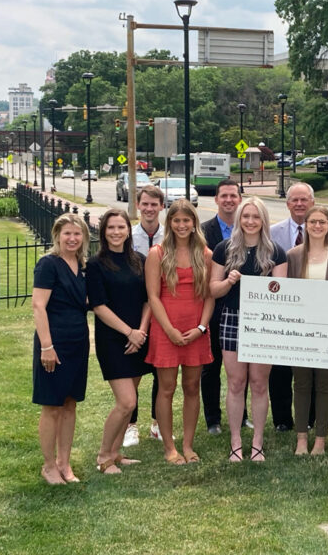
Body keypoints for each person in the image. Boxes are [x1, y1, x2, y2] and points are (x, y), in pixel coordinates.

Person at [210, 197, 288, 462]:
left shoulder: (276, 251)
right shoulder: (224, 249)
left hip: (263, 321)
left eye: (256, 217)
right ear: (239, 219)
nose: (251, 221)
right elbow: (213, 289)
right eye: (246, 216)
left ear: (263, 220)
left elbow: (282, 292)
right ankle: (235, 442)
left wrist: (262, 284)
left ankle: (257, 443)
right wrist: (229, 282)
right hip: (232, 317)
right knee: (235, 383)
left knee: (258, 382)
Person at [145, 199, 214, 465]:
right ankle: (169, 448)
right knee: (166, 387)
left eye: (187, 220)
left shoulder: (205, 254)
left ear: (194, 222)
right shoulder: (157, 253)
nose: (182, 225)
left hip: (196, 329)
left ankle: (187, 445)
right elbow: (153, 296)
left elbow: (209, 296)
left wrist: (201, 327)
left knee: (191, 387)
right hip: (166, 329)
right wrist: (170, 330)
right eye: (177, 220)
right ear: (169, 223)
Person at [87, 209, 152, 474]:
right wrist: (129, 333)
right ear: (103, 232)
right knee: (126, 402)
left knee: (131, 400)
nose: (116, 232)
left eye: (121, 227)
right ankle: (103, 456)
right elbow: (99, 307)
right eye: (110, 228)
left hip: (139, 338)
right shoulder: (95, 264)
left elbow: (149, 299)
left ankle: (116, 453)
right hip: (114, 340)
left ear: (128, 229)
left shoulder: (140, 260)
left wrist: (141, 332)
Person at [31, 213, 91, 485]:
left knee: (69, 403)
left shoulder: (81, 264)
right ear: (57, 235)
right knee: (52, 405)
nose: (72, 238)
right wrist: (47, 346)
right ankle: (48, 466)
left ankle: (64, 463)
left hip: (78, 341)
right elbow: (38, 306)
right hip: (53, 343)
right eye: (67, 233)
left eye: (77, 234)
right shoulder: (48, 264)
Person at [287, 206, 328, 455]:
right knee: (301, 384)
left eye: (322, 222)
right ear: (306, 223)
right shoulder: (293, 255)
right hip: (300, 331)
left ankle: (320, 439)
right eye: (313, 221)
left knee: (324, 384)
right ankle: (302, 438)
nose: (317, 226)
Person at [200, 178, 249, 435]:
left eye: (233, 195)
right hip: (211, 306)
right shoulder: (203, 231)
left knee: (242, 364)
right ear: (216, 199)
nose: (229, 200)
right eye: (224, 196)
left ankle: (242, 417)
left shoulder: (249, 229)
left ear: (239, 199)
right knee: (211, 366)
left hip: (243, 310)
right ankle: (212, 419)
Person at [268, 182, 316, 432]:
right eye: (294, 200)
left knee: (310, 367)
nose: (299, 204)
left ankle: (309, 418)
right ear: (287, 204)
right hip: (281, 309)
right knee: (280, 368)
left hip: (313, 310)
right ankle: (282, 419)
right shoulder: (272, 232)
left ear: (313, 203)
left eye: (304, 200)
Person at [129, 184, 165, 446]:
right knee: (133, 371)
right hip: (134, 309)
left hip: (165, 310)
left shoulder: (172, 235)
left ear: (162, 207)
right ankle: (131, 425)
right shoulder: (128, 236)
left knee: (161, 372)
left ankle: (157, 423)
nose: (150, 209)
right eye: (145, 204)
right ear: (138, 205)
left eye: (155, 204)